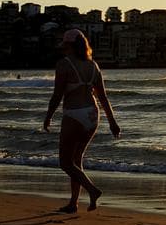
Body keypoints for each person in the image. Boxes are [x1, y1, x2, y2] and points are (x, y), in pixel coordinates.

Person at [44, 29, 120, 213]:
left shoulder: (64, 64)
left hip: (74, 114)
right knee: (76, 160)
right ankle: (73, 203)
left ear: (68, 45)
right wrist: (112, 122)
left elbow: (57, 95)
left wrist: (48, 116)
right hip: (92, 115)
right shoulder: (93, 65)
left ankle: (92, 190)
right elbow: (103, 97)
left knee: (65, 163)